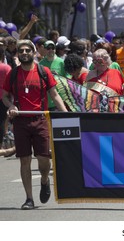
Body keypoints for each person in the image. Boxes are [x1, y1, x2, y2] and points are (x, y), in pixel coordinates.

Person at [2, 39, 67, 210]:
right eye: (21, 51)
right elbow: (4, 96)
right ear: (18, 53)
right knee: (25, 160)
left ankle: (45, 181)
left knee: (44, 161)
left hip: (40, 120)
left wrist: (68, 115)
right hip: (20, 121)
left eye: (27, 50)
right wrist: (12, 106)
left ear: (33, 52)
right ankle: (29, 198)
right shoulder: (13, 73)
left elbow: (55, 95)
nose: (24, 53)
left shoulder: (43, 71)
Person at [39, 40, 68, 111]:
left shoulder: (61, 62)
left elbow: (68, 78)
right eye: (48, 48)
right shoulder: (40, 64)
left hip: (59, 100)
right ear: (45, 49)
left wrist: (58, 77)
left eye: (53, 48)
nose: (51, 50)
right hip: (46, 101)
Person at [0, 46, 15, 157]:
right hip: (3, 98)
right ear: (3, 56)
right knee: (3, 121)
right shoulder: (6, 68)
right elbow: (11, 84)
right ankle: (2, 146)